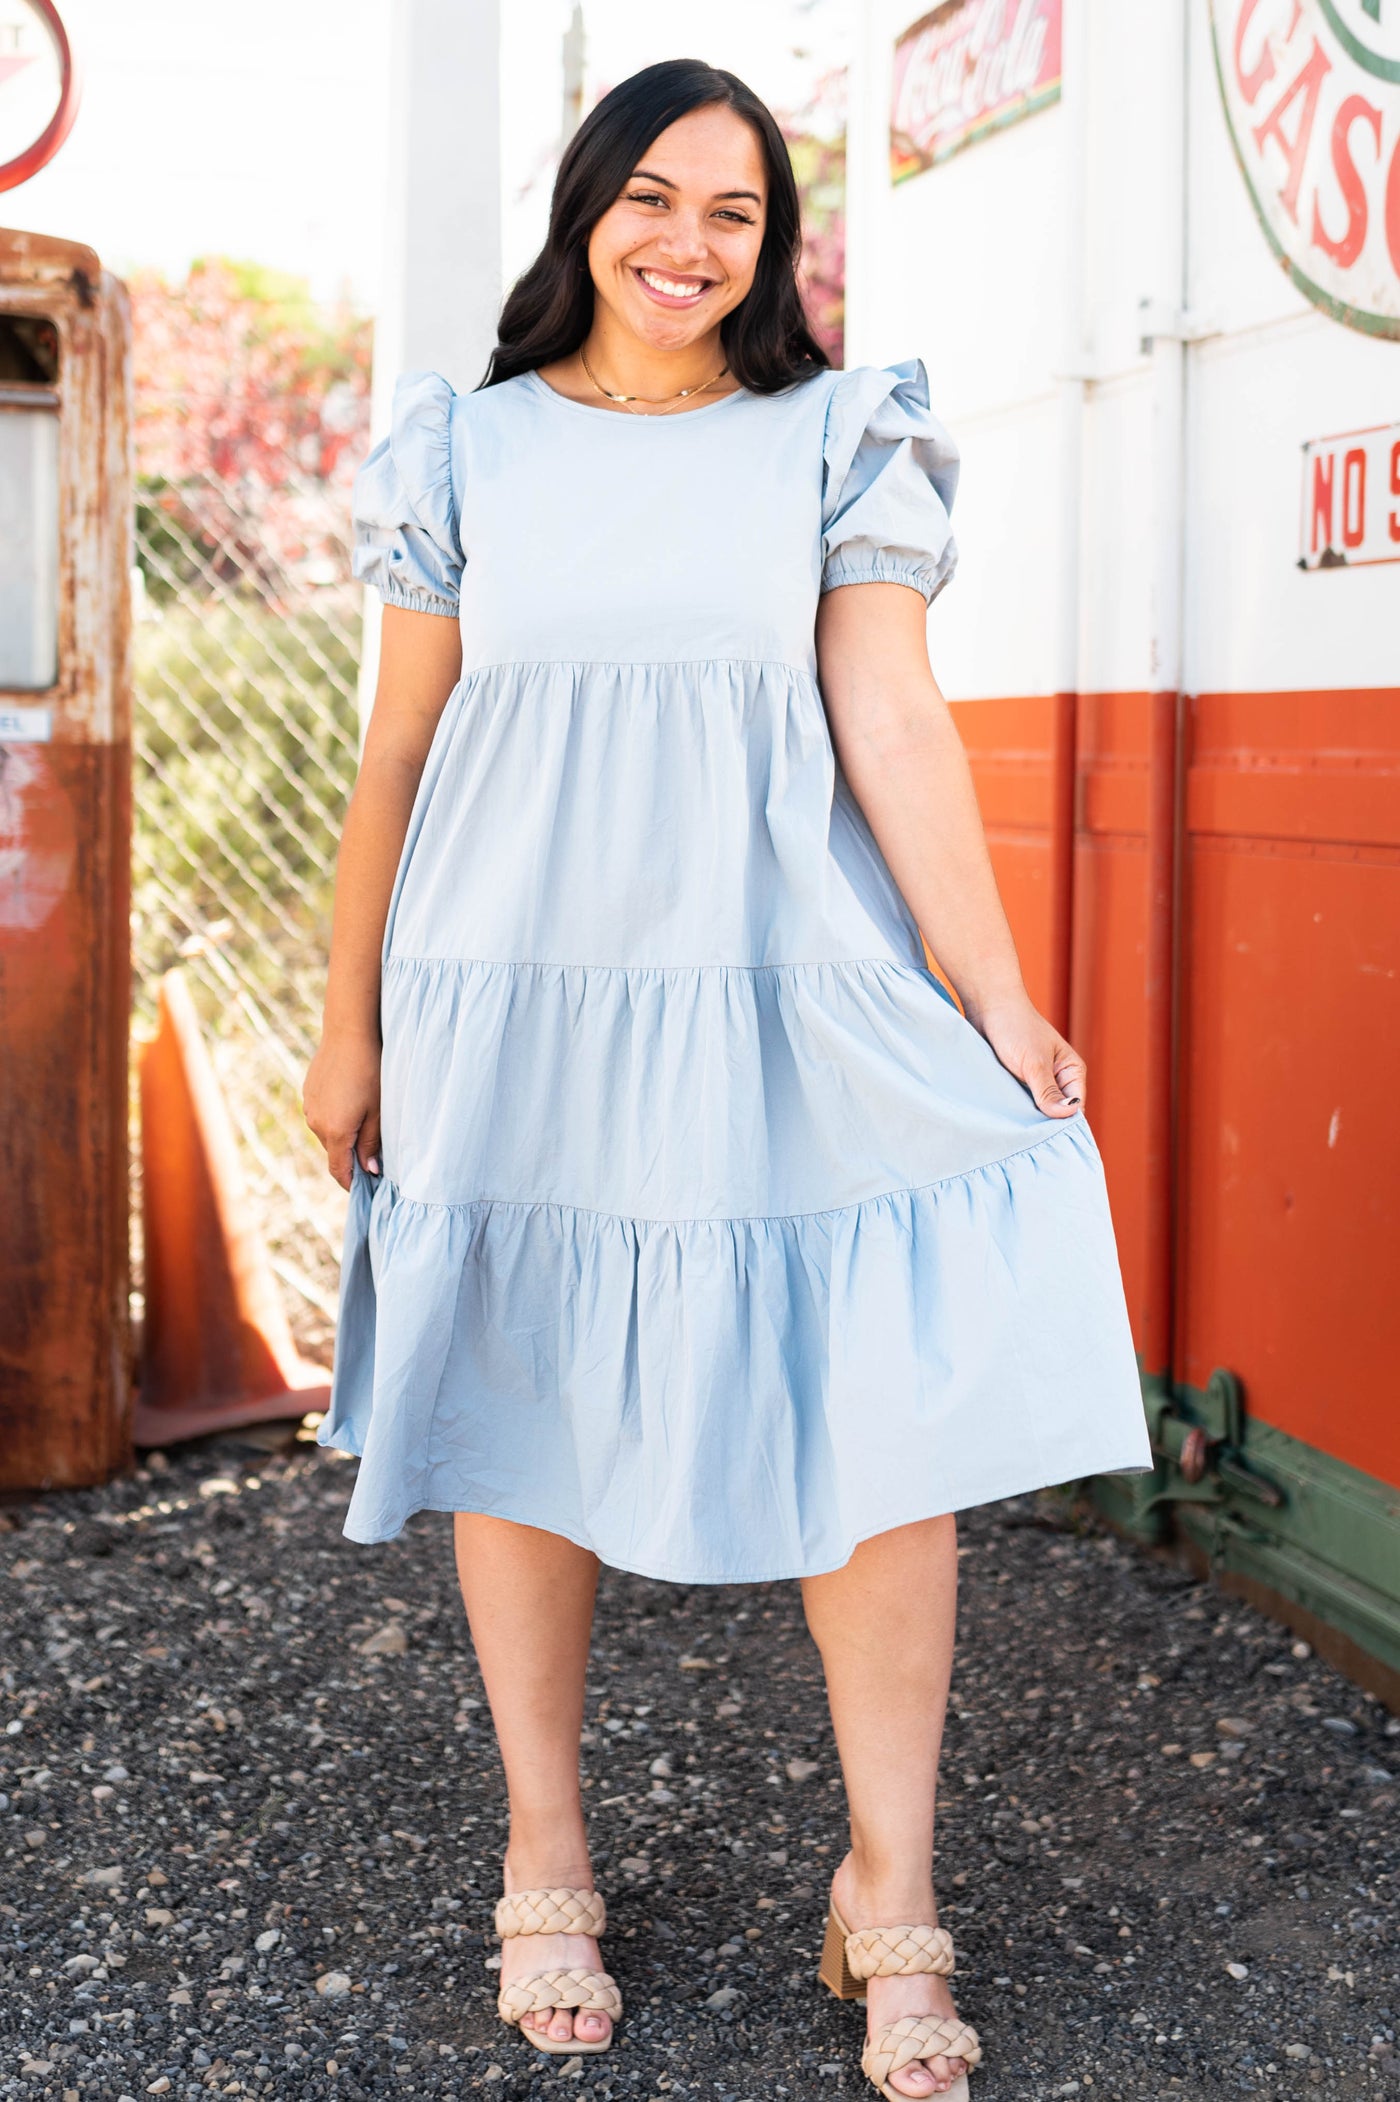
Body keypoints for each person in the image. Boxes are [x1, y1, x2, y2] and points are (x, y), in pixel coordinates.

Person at [303, 56, 1151, 2102]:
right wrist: (349, 1017)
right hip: (507, 991)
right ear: (584, 205)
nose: (688, 244)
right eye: (653, 199)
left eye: (738, 214)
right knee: (517, 1399)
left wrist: (993, 991)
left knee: (883, 1417)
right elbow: (400, 753)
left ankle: (891, 1881)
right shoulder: (466, 449)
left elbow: (895, 719)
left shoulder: (830, 437)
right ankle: (546, 1846)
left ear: (777, 248)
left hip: (778, 983)